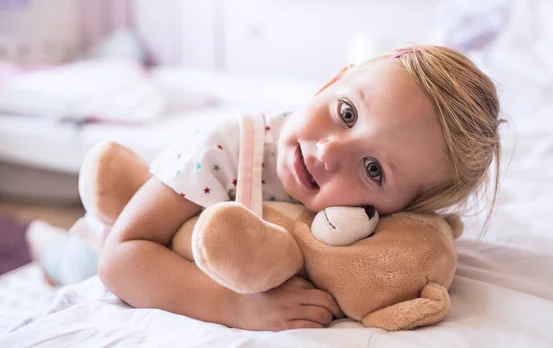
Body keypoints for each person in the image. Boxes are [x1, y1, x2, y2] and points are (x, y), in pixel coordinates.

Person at [28, 45, 503, 332]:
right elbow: (121, 256)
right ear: (335, 78)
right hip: (111, 239)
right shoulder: (228, 145)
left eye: (374, 170)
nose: (328, 153)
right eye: (347, 113)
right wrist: (235, 306)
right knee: (71, 259)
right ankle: (41, 241)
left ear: (403, 209)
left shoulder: (380, 223)